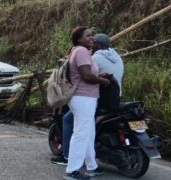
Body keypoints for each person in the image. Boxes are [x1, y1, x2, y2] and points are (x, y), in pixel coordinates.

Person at [51, 32, 124, 166]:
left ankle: (67, 157)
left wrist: (102, 81)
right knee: (87, 130)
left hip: (94, 98)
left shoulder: (93, 57)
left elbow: (87, 75)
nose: (91, 43)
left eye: (93, 41)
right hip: (115, 97)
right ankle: (90, 165)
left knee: (69, 121)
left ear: (98, 45)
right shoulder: (117, 57)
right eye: (89, 37)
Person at [62, 26, 111, 180]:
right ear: (79, 39)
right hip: (83, 97)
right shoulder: (82, 51)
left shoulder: (78, 51)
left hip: (84, 97)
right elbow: (87, 76)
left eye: (92, 35)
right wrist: (102, 81)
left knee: (88, 132)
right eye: (88, 36)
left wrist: (99, 75)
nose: (92, 38)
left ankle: (91, 166)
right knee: (81, 133)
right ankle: (72, 170)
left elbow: (85, 74)